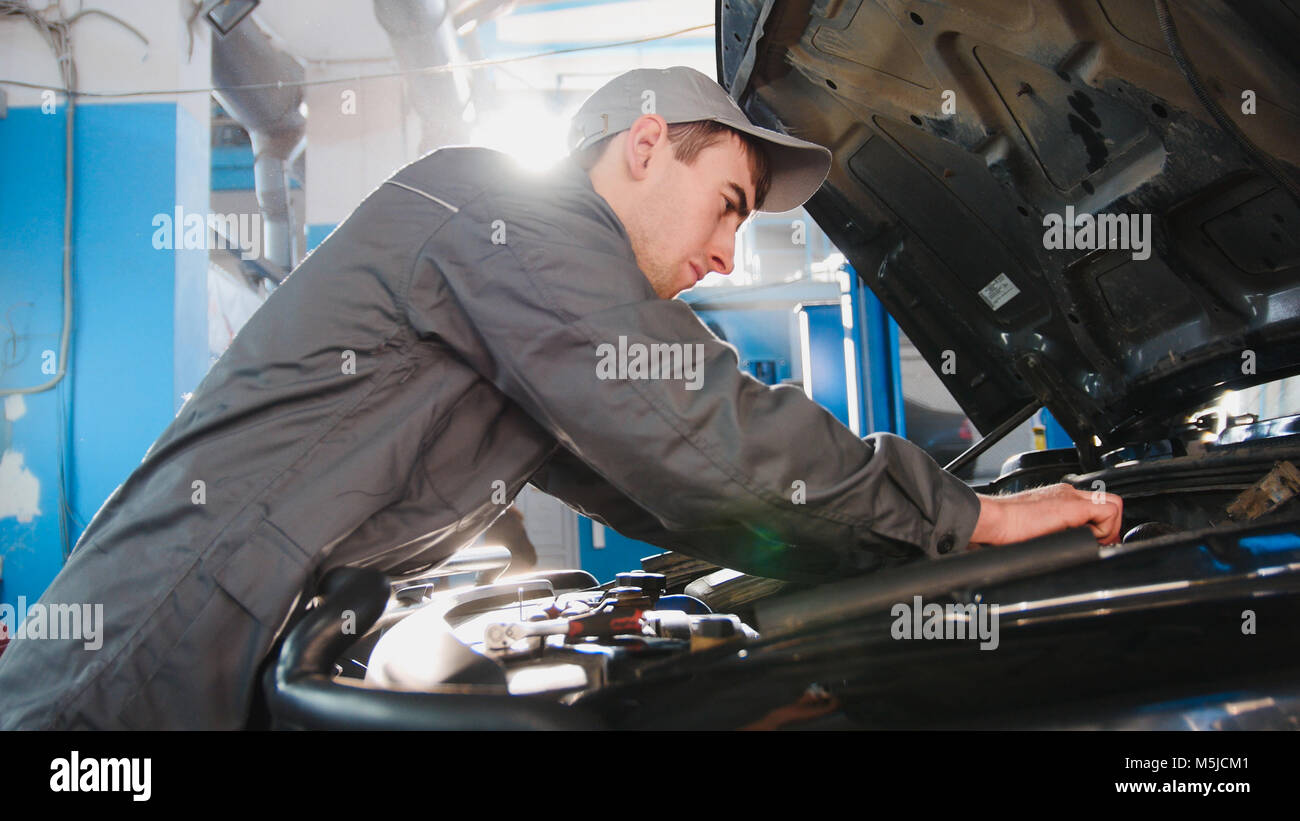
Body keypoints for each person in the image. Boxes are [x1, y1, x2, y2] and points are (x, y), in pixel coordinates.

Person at [0, 66, 1121, 730]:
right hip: (130, 679)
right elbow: (700, 433)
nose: (728, 253)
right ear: (645, 147)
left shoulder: (533, 304)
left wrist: (909, 559)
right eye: (727, 203)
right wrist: (965, 517)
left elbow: (677, 491)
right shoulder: (501, 214)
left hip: (217, 662)